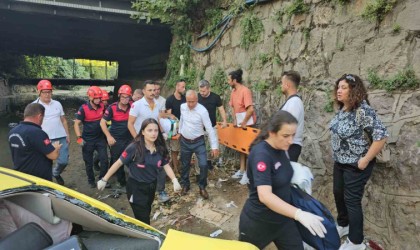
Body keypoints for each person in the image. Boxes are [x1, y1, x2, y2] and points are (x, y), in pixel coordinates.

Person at [239, 110, 326, 249]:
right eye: (286, 135)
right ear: (272, 133)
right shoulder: (261, 155)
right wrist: (299, 214)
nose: (291, 140)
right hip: (259, 222)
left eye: (293, 135)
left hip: (283, 219)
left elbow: (278, 173)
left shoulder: (281, 147)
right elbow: (265, 196)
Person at [329, 74, 388, 250]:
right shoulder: (343, 109)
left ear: (354, 90)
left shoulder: (362, 110)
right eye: (338, 87)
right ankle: (343, 224)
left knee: (352, 201)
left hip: (356, 165)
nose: (339, 90)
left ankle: (355, 241)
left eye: (344, 87)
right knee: (338, 193)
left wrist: (365, 160)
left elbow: (381, 136)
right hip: (340, 162)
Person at [97, 118, 181, 224]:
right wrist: (104, 179)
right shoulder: (134, 148)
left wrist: (174, 180)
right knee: (143, 218)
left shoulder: (160, 148)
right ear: (142, 132)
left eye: (155, 130)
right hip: (136, 188)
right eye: (149, 130)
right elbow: (119, 163)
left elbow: (166, 165)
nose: (153, 133)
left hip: (151, 186)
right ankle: (146, 235)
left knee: (147, 209)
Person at [128, 80, 170, 203]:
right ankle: (136, 192)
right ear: (144, 91)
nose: (152, 93)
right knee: (139, 166)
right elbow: (130, 124)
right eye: (150, 90)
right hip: (141, 141)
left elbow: (157, 120)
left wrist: (162, 133)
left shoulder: (157, 103)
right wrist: (137, 140)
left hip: (155, 139)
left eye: (154, 90)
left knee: (160, 164)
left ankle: (161, 191)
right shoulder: (137, 105)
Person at [179, 90, 219, 199]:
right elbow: (182, 120)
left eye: (193, 102)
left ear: (197, 100)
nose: (190, 104)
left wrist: (214, 146)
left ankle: (202, 187)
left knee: (203, 164)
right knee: (185, 164)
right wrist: (179, 131)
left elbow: (210, 129)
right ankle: (185, 185)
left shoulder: (202, 111)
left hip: (198, 141)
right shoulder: (182, 106)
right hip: (185, 141)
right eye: (188, 101)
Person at [8, 103, 62, 181]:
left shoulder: (12, 131)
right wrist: (56, 148)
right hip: (38, 179)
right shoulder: (37, 132)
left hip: (20, 177)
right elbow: (53, 156)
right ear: (39, 116)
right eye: (43, 117)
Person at [33, 80, 70, 185]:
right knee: (46, 163)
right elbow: (32, 124)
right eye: (44, 92)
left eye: (49, 92)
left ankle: (56, 173)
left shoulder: (57, 103)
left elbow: (63, 120)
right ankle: (48, 183)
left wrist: (67, 134)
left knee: (63, 161)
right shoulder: (34, 106)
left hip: (61, 137)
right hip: (45, 139)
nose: (47, 94)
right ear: (39, 92)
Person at [74, 86, 109, 188]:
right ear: (90, 97)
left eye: (99, 98)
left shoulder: (103, 106)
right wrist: (79, 138)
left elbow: (107, 117)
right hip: (87, 140)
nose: (98, 100)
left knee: (104, 160)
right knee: (88, 162)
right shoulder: (83, 109)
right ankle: (91, 180)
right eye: (96, 98)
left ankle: (102, 179)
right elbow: (76, 124)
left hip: (100, 139)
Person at [228, 69, 256, 185]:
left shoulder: (245, 91)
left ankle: (248, 174)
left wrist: (244, 122)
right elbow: (233, 107)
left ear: (235, 80)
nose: (228, 82)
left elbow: (250, 109)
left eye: (229, 80)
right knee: (241, 148)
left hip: (247, 123)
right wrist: (235, 119)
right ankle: (241, 170)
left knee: (249, 149)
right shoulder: (233, 92)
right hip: (239, 122)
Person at [100, 84, 132, 187]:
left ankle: (134, 180)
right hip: (116, 139)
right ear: (119, 96)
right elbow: (102, 122)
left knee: (132, 158)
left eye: (127, 97)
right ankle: (121, 182)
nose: (125, 99)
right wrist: (109, 137)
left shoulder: (133, 106)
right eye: (123, 97)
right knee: (117, 160)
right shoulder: (112, 107)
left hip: (129, 138)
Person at [279, 71, 305, 162]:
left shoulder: (294, 102)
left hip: (290, 147)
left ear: (287, 85)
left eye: (282, 83)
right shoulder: (292, 101)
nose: (281, 86)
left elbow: (289, 127)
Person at [165, 79, 186, 178]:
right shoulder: (170, 99)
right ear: (177, 87)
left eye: (184, 87)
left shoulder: (185, 99)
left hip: (185, 128)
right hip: (174, 128)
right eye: (182, 87)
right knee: (174, 149)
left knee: (182, 149)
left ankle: (177, 166)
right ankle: (175, 169)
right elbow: (169, 115)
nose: (184, 89)